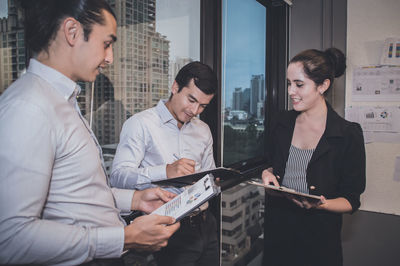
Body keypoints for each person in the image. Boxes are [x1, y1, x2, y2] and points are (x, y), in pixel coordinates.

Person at [0, 1, 179, 265]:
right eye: (106, 43)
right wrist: (124, 238)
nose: (109, 58)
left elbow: (76, 194)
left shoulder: (62, 101)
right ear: (72, 32)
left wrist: (136, 199)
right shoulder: (29, 108)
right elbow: (11, 239)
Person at [262, 48, 366, 266]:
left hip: (319, 240)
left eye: (299, 84)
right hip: (278, 234)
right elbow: (270, 164)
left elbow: (351, 199)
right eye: (289, 83)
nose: (291, 91)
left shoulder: (347, 134)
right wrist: (267, 173)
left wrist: (320, 204)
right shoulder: (280, 122)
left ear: (323, 86)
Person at [110, 61, 219, 266]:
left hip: (206, 224)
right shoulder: (140, 124)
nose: (195, 110)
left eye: (203, 106)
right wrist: (165, 171)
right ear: (175, 87)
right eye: (191, 99)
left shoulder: (203, 129)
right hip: (167, 228)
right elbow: (118, 176)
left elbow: (208, 175)